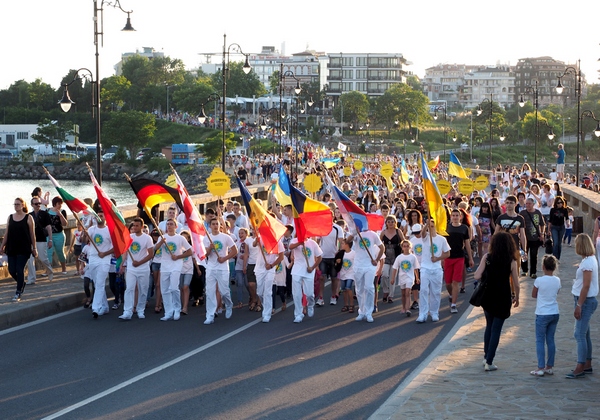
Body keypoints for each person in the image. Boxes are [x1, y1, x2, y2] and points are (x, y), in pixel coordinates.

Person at [474, 231, 520, 372]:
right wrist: (516, 297)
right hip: (502, 296)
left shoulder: (487, 258)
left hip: (487, 296)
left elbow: (476, 275)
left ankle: (486, 356)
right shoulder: (511, 261)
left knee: (489, 326)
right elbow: (516, 283)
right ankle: (490, 361)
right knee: (496, 329)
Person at [567, 233, 598, 379]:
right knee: (585, 333)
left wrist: (579, 305)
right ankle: (587, 363)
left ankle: (580, 366)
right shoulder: (590, 259)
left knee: (579, 334)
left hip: (585, 301)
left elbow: (586, 285)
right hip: (586, 300)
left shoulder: (587, 263)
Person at [0, 198, 36, 302]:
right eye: (14, 204)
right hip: (11, 248)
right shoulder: (10, 217)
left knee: (19, 269)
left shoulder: (28, 218)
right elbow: (6, 234)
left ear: (23, 205)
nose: (16, 206)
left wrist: (34, 248)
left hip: (24, 248)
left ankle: (18, 292)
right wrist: (2, 246)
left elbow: (32, 235)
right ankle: (22, 283)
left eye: (18, 204)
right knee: (11, 270)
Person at [156, 219, 192, 321]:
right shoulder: (162, 237)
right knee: (165, 289)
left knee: (174, 288)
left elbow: (190, 251)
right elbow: (155, 249)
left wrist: (179, 256)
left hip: (176, 265)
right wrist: (161, 242)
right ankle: (168, 311)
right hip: (165, 266)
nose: (169, 226)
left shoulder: (180, 238)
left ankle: (177, 309)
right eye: (168, 224)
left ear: (176, 227)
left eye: (171, 224)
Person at [530, 255, 561, 377]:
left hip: (542, 313)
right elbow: (557, 292)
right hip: (554, 312)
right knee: (550, 340)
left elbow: (533, 294)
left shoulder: (539, 280)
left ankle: (540, 367)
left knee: (540, 340)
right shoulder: (557, 280)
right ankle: (549, 366)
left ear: (543, 267)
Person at [203, 218, 237, 324]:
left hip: (222, 267)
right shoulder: (206, 238)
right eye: (213, 224)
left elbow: (235, 251)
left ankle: (228, 304)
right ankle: (210, 315)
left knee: (224, 291)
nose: (215, 226)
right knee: (210, 291)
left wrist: (224, 258)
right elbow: (205, 255)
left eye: (217, 224)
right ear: (210, 226)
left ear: (220, 225)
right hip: (211, 267)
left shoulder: (225, 237)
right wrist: (209, 248)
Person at [119, 217, 154, 320]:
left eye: (137, 225)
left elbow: (151, 254)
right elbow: (125, 251)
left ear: (142, 227)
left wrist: (139, 262)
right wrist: (122, 264)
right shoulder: (129, 237)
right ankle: (127, 312)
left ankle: (140, 310)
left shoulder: (147, 238)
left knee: (143, 290)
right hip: (131, 268)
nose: (134, 227)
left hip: (143, 268)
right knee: (129, 288)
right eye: (133, 225)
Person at [416, 219, 450, 323]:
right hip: (425, 268)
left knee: (435, 292)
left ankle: (434, 312)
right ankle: (423, 314)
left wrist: (438, 258)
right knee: (424, 291)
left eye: (432, 226)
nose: (430, 228)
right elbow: (422, 234)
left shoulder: (442, 239)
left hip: (436, 269)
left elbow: (447, 253)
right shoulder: (426, 237)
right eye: (428, 226)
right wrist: (426, 225)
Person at [348, 226, 384, 323]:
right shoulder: (356, 233)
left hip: (369, 265)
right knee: (359, 289)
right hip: (358, 265)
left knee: (369, 288)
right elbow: (347, 241)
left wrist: (376, 259)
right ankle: (362, 311)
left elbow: (382, 247)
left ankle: (369, 312)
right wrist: (354, 232)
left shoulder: (373, 234)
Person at [445, 209, 474, 314]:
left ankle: (453, 304)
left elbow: (467, 244)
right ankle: (451, 294)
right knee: (448, 283)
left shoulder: (464, 228)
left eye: (457, 215)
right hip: (448, 257)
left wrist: (470, 258)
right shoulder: (446, 227)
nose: (455, 217)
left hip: (459, 257)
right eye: (453, 215)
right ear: (451, 217)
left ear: (460, 217)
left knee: (455, 281)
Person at [289, 234, 323, 323]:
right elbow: (290, 247)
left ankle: (310, 305)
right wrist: (299, 243)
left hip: (309, 271)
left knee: (309, 294)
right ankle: (298, 314)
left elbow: (319, 257)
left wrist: (313, 267)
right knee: (296, 294)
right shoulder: (295, 240)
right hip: (297, 270)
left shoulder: (312, 243)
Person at [87, 210, 114, 318]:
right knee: (96, 283)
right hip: (93, 258)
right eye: (98, 216)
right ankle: (105, 306)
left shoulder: (109, 231)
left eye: (101, 216)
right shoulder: (91, 229)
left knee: (100, 283)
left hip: (104, 259)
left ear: (105, 218)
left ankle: (96, 307)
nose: (99, 217)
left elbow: (115, 247)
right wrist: (85, 234)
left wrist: (105, 253)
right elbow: (84, 240)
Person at [253, 235, 284, 323]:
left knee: (268, 292)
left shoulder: (278, 241)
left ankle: (267, 313)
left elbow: (281, 257)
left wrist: (271, 265)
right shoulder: (261, 237)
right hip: (259, 268)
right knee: (260, 292)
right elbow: (254, 245)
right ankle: (266, 306)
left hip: (270, 269)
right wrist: (256, 240)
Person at [26, 196, 54, 284]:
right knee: (30, 260)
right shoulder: (29, 215)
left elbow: (49, 227)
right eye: (36, 204)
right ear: (32, 205)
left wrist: (50, 240)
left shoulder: (44, 214)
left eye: (39, 203)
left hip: (41, 239)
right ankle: (32, 278)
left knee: (43, 258)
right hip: (31, 240)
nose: (38, 205)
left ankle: (49, 271)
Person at [391, 240, 420, 317]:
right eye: (404, 246)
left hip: (410, 277)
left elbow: (415, 268)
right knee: (403, 293)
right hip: (402, 277)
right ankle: (403, 307)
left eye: (408, 246)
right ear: (402, 247)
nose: (406, 248)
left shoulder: (413, 257)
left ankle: (407, 309)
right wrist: (393, 278)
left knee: (407, 292)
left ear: (410, 247)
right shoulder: (399, 257)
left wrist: (417, 278)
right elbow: (395, 268)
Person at [520, 197, 546, 279]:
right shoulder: (522, 213)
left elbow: (542, 224)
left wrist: (542, 234)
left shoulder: (537, 213)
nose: (527, 205)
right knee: (524, 254)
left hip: (535, 238)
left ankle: (533, 272)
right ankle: (524, 270)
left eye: (529, 203)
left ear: (533, 204)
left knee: (534, 255)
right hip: (525, 237)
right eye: (526, 203)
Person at [46, 196, 68, 274]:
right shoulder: (47, 210)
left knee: (60, 252)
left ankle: (64, 268)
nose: (60, 205)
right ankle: (48, 270)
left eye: (61, 204)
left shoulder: (63, 211)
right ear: (55, 203)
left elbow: (65, 224)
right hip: (49, 235)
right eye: (58, 204)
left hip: (59, 235)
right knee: (48, 252)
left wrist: (60, 215)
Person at [337, 239, 355, 313]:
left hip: (351, 273)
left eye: (343, 243)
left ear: (347, 245)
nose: (341, 245)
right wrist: (337, 262)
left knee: (348, 288)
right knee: (344, 289)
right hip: (343, 273)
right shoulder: (341, 253)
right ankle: (346, 305)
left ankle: (352, 305)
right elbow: (336, 262)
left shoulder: (354, 253)